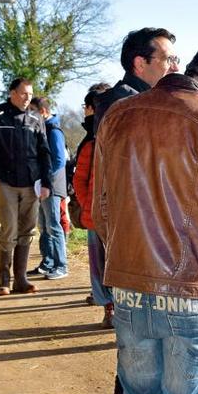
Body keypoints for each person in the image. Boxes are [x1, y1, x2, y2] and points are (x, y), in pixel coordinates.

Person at [93, 40, 198, 394]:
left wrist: (124, 267)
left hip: (129, 288)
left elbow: (101, 210)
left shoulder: (117, 115)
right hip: (193, 293)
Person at [90, 26, 179, 394]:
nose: (177, 65)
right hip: (134, 239)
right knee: (137, 350)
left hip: (136, 238)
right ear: (140, 63)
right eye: (169, 58)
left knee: (138, 346)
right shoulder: (125, 103)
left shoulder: (132, 98)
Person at [0, 78, 52, 296]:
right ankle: (4, 280)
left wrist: (46, 182)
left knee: (27, 231)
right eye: (24, 94)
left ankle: (21, 279)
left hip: (31, 183)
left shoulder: (36, 118)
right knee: (8, 230)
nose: (28, 98)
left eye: (30, 94)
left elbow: (45, 152)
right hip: (6, 182)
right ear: (12, 94)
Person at [73, 84, 113, 327]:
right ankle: (109, 309)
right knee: (100, 268)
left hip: (119, 221)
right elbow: (79, 179)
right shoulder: (90, 145)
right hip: (95, 219)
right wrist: (89, 203)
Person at [28, 97, 69, 280]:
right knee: (44, 226)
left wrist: (46, 181)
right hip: (42, 184)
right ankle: (48, 262)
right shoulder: (42, 129)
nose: (30, 115)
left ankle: (61, 265)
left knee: (53, 225)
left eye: (32, 111)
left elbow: (59, 160)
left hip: (51, 185)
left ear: (42, 111)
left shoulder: (53, 131)